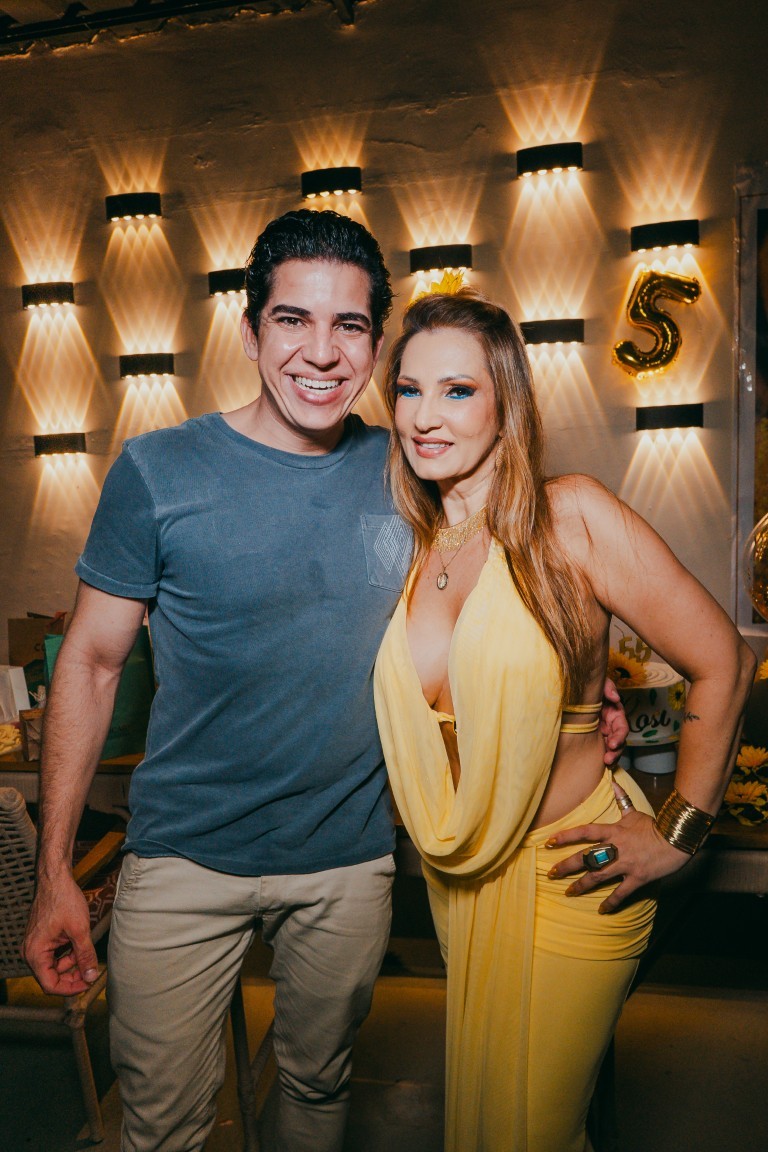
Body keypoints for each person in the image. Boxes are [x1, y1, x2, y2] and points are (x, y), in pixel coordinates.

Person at [22, 211, 627, 1152]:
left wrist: (585, 685)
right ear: (250, 331)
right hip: (183, 860)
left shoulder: (409, 466)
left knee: (317, 1090)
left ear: (376, 345)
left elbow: (496, 585)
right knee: (162, 1127)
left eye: (348, 325)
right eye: (292, 320)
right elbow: (93, 665)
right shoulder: (158, 471)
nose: (320, 351)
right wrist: (56, 868)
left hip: (347, 863)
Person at [373, 288, 756, 1152]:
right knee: (484, 1124)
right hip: (456, 882)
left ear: (505, 401)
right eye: (409, 389)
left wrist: (680, 831)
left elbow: (724, 661)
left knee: (530, 1131)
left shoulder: (569, 517)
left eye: (458, 390)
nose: (426, 416)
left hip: (570, 877)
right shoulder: (410, 546)